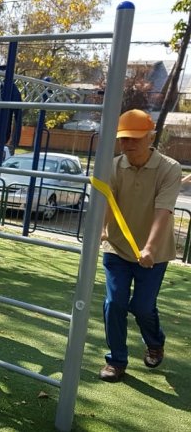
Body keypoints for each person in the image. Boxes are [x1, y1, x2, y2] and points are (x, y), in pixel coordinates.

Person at [98, 109, 182, 382]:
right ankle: (116, 361)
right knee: (115, 303)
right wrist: (101, 229)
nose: (129, 144)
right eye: (124, 138)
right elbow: (107, 203)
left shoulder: (169, 168)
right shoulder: (113, 166)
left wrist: (149, 248)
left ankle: (155, 342)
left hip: (154, 253)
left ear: (151, 137)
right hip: (118, 249)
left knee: (143, 307)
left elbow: (163, 211)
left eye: (135, 138)